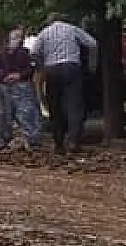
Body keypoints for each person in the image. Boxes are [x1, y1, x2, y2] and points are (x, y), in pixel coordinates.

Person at [29, 12, 98, 154]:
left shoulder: (44, 33)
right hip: (72, 68)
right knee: (74, 106)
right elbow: (92, 44)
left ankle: (58, 144)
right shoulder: (72, 29)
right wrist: (92, 66)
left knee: (55, 107)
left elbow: (34, 52)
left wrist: (41, 66)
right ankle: (73, 141)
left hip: (52, 71)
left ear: (49, 22)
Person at [0, 27, 42, 150]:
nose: (17, 40)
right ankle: (5, 139)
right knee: (6, 114)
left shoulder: (24, 53)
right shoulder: (3, 55)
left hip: (20, 85)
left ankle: (31, 140)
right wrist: (4, 77)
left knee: (25, 112)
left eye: (19, 37)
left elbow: (31, 68)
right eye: (15, 37)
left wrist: (18, 76)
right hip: (9, 86)